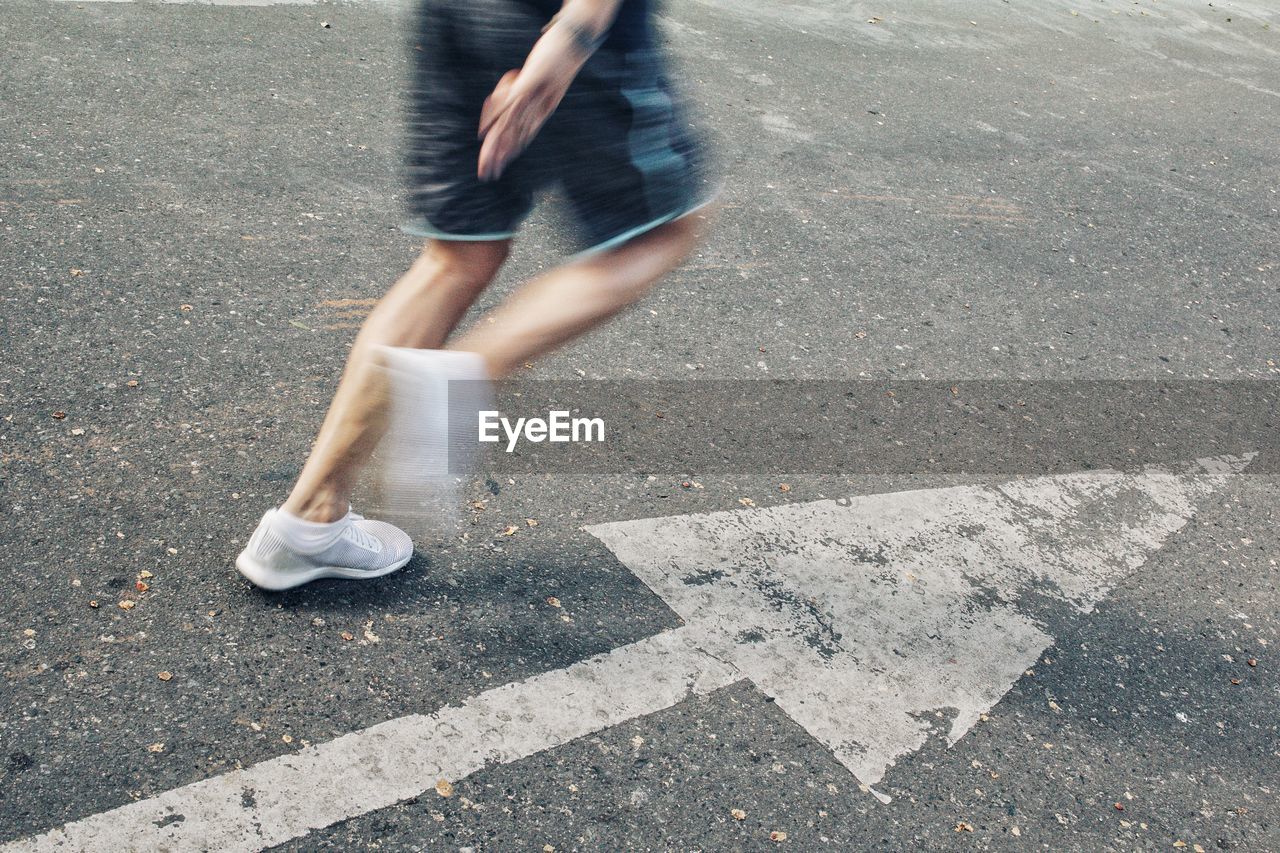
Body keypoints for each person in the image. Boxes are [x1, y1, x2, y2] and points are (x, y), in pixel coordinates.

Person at [235, 0, 714, 590]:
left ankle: (306, 524)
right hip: (552, 20)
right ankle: (457, 379)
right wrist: (570, 35)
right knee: (662, 235)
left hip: (458, 14)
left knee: (457, 259)